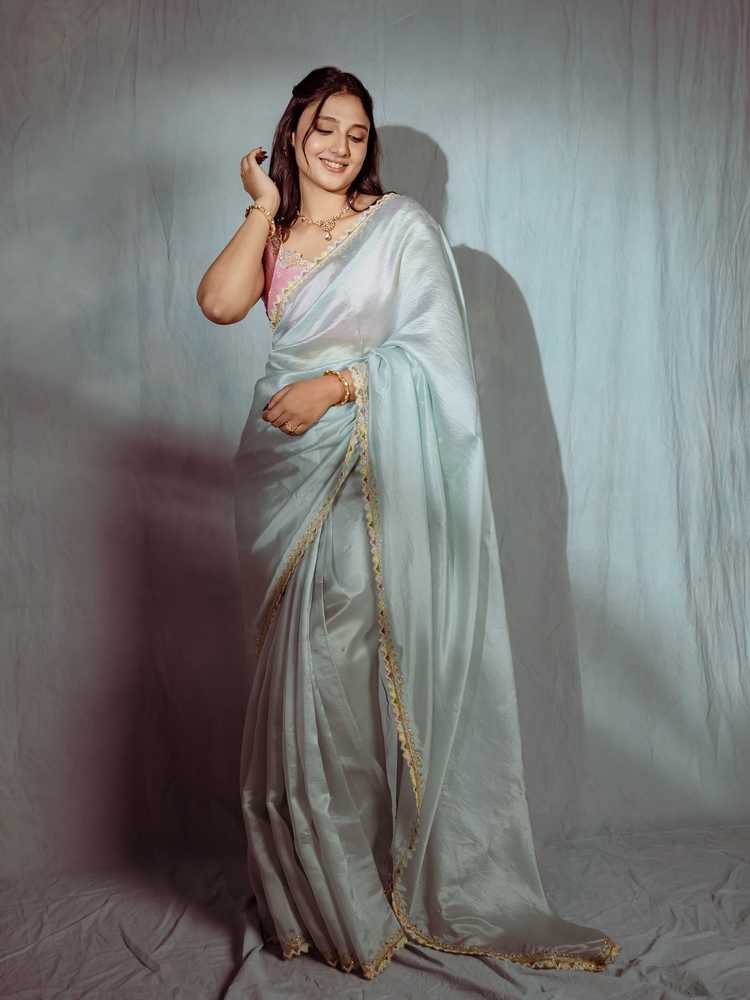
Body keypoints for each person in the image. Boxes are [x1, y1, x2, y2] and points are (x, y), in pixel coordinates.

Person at [196, 65, 620, 982]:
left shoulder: (399, 228)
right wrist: (261, 207)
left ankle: (356, 891)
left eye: (356, 133)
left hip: (364, 470)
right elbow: (220, 303)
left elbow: (437, 359)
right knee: (290, 689)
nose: (340, 147)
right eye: (324, 128)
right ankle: (307, 897)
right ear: (294, 131)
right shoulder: (277, 229)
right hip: (279, 478)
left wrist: (338, 385)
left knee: (336, 680)